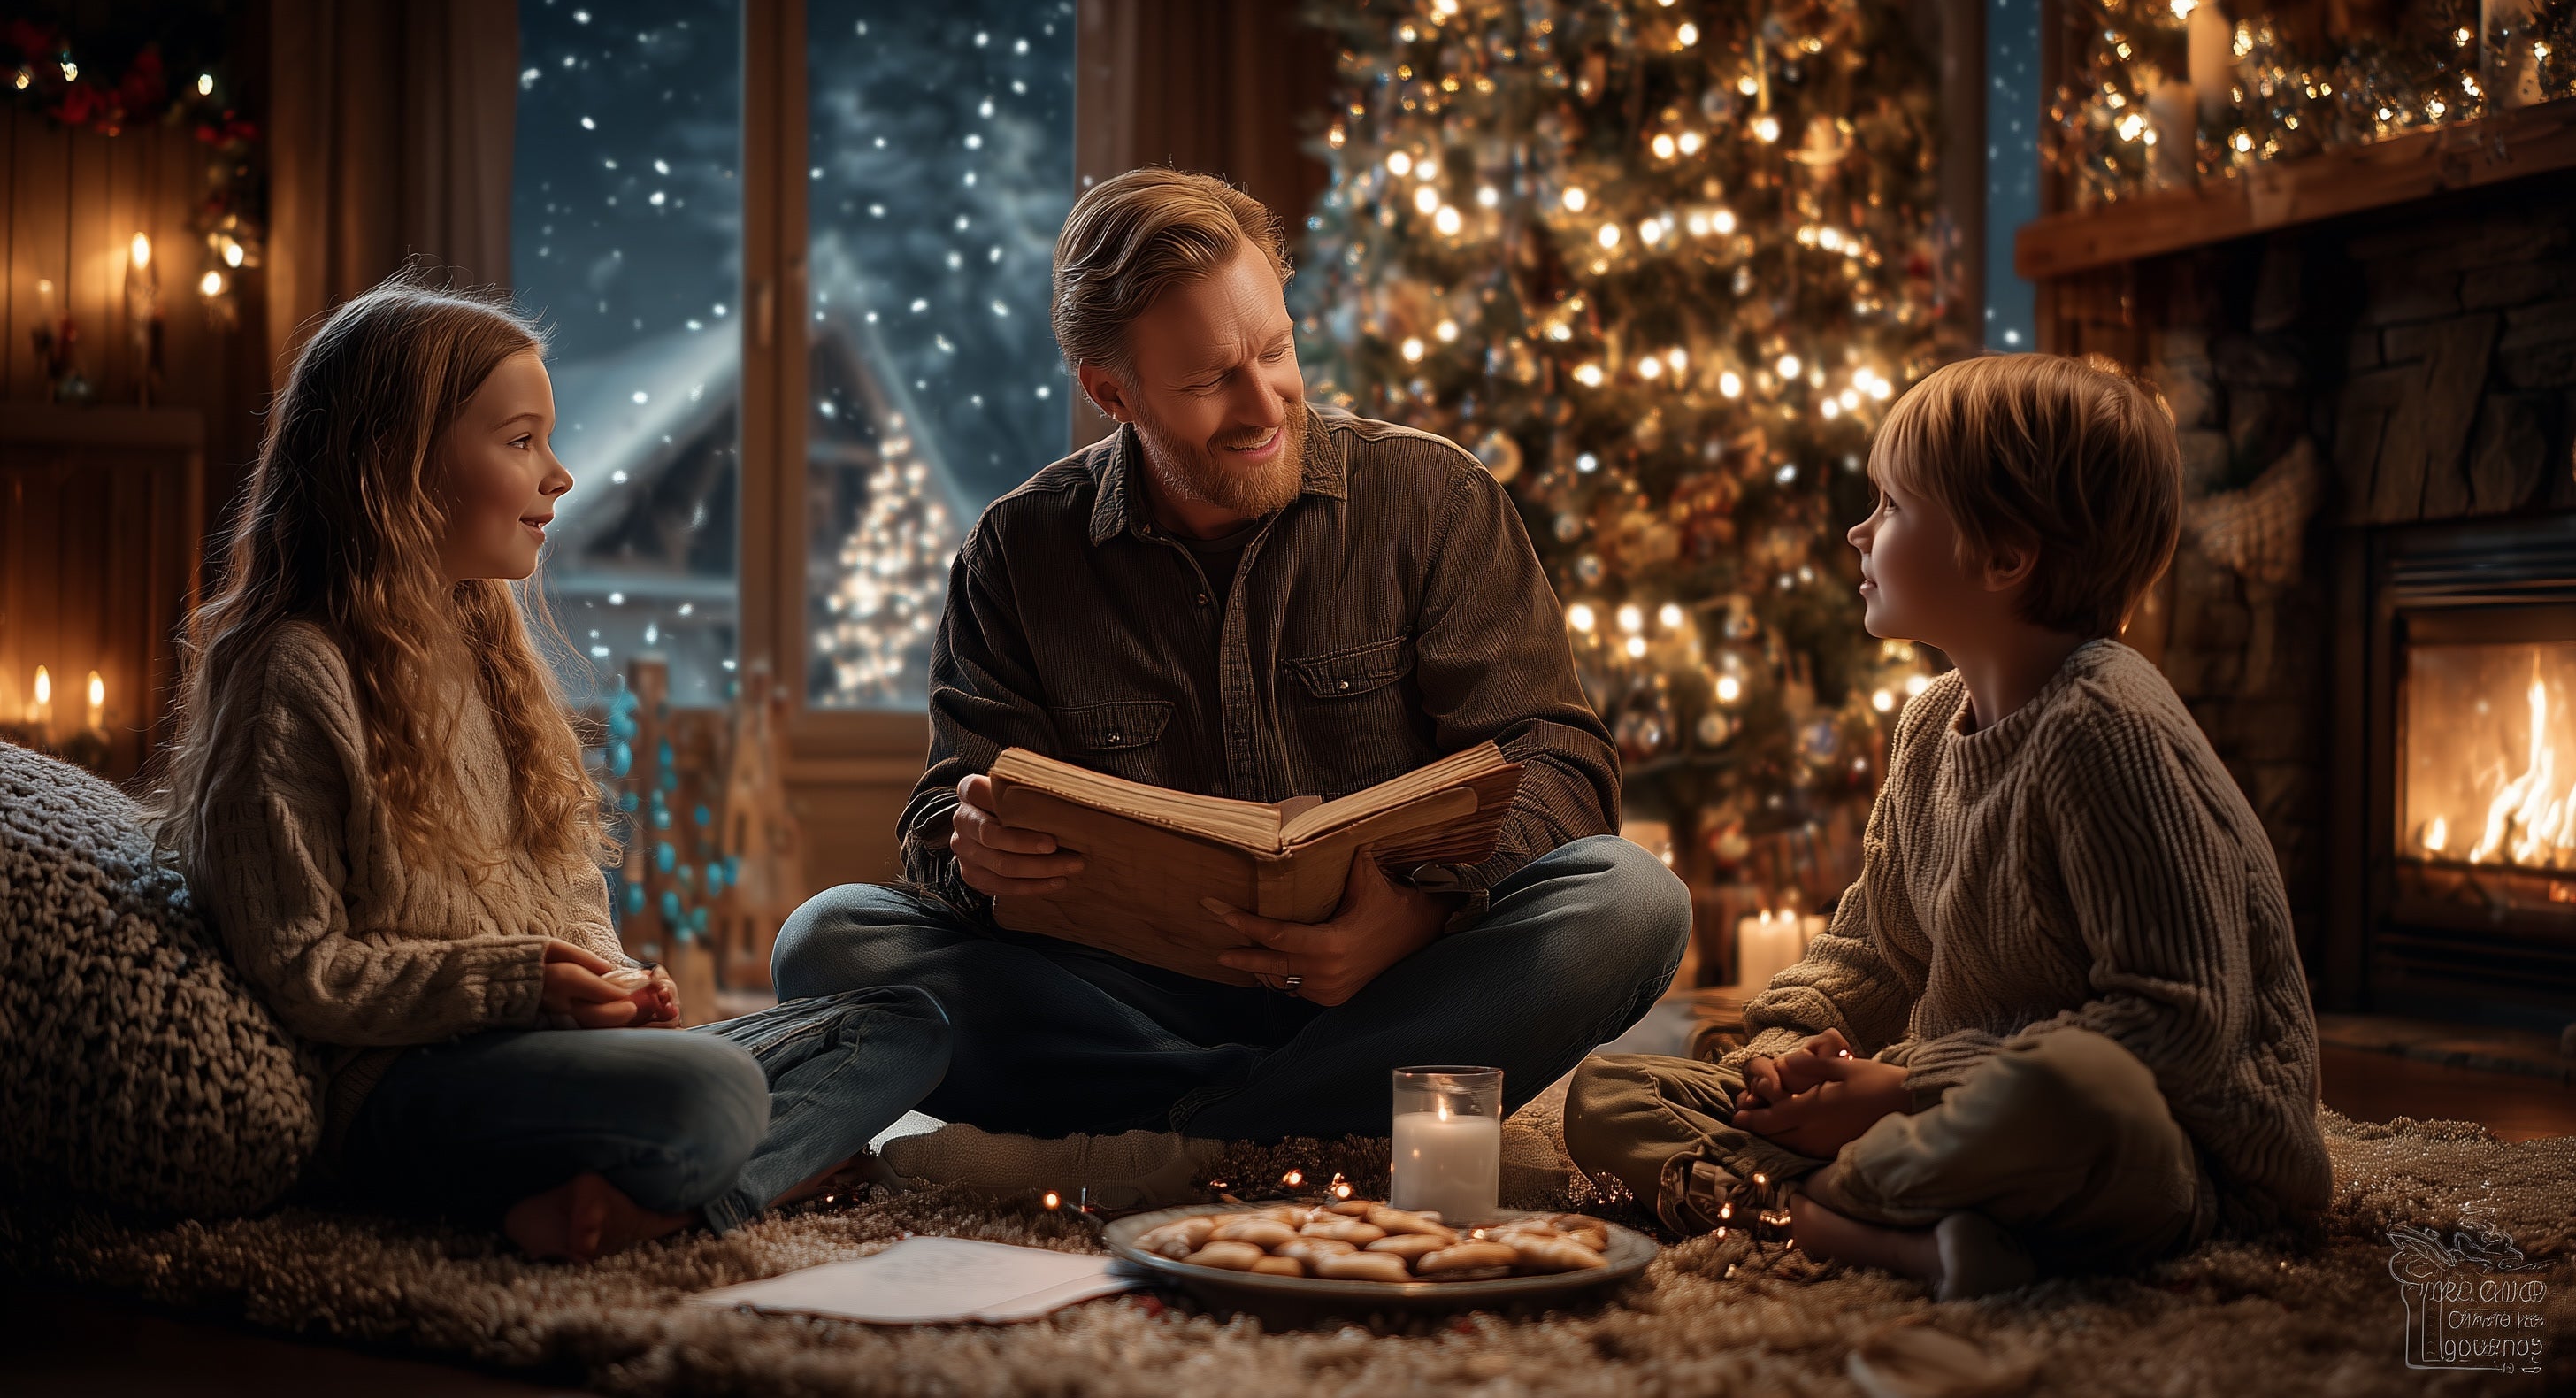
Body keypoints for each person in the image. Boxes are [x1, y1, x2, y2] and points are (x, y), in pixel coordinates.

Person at [771, 169, 1690, 1202]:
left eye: (1275, 349)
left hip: (1396, 985)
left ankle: (1160, 1144)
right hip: (1126, 1006)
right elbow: (946, 816)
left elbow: (1558, 762)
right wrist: (970, 851)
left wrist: (1416, 916)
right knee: (832, 940)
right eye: (1211, 380)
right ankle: (1297, 1125)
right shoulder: (1017, 553)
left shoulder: (1433, 499)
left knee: (1632, 900)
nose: (1265, 404)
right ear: (1110, 392)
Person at [156, 273, 951, 1260]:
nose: (559, 474)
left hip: (547, 1049)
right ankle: (722, 1176)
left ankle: (653, 1201)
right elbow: (302, 970)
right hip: (402, 1088)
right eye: (521, 440)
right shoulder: (296, 674)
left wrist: (617, 990)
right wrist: (520, 984)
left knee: (907, 1019)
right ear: (394, 465)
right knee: (715, 1093)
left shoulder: (494, 656)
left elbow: (569, 896)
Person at [1563, 353, 2333, 1298]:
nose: (1856, 531)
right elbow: (1870, 956)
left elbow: (2176, 1026)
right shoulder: (1931, 724)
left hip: (2175, 1155)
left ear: (2003, 556)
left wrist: (1901, 1093)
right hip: (1934, 1116)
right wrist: (1776, 1068)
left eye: (1889, 505)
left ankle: (1803, 1212)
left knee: (2071, 1092)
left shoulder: (2108, 731)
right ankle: (1898, 1231)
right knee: (1609, 1095)